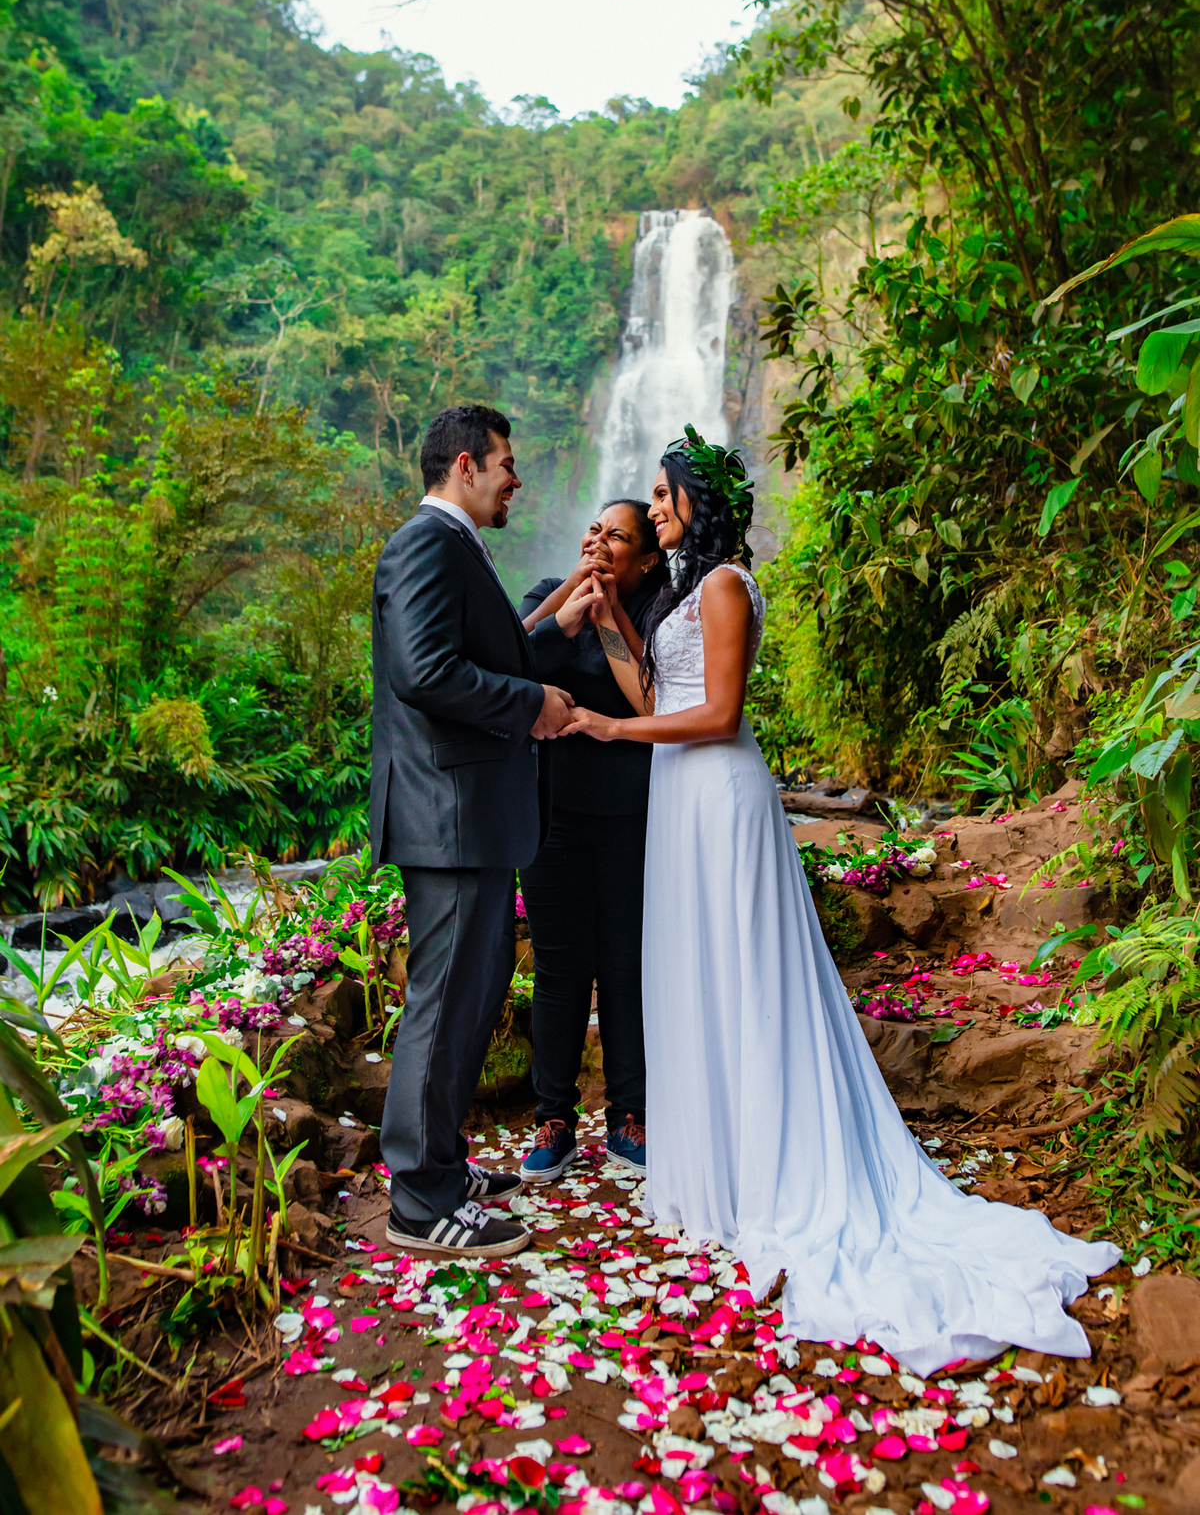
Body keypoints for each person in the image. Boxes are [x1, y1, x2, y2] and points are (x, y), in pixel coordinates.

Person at [559, 427, 1120, 1374]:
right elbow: (657, 685)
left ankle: (777, 1168)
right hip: (676, 795)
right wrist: (613, 617)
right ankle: (722, 1169)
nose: (652, 507)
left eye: (663, 492)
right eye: (650, 494)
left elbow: (719, 711)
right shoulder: (681, 593)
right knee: (695, 971)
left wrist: (613, 729)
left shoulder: (729, 585)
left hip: (721, 789)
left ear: (700, 498)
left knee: (744, 970)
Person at [370, 403, 575, 1260]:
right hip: (448, 818)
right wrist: (531, 706)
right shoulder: (426, 543)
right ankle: (419, 1201)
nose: (515, 479)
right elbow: (424, 671)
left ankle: (444, 1166)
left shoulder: (456, 547)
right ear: (464, 465)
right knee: (445, 1003)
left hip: (472, 819)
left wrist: (552, 636)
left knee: (470, 998)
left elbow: (475, 655)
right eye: (505, 463)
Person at [515, 501, 670, 1183]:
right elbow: (512, 657)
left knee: (626, 965)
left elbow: (651, 699)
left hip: (631, 815)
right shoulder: (544, 595)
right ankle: (554, 1116)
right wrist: (567, 602)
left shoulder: (655, 616)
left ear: (646, 559)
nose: (600, 543)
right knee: (559, 968)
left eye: (618, 536)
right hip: (550, 816)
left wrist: (607, 619)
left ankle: (628, 1114)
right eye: (594, 531)